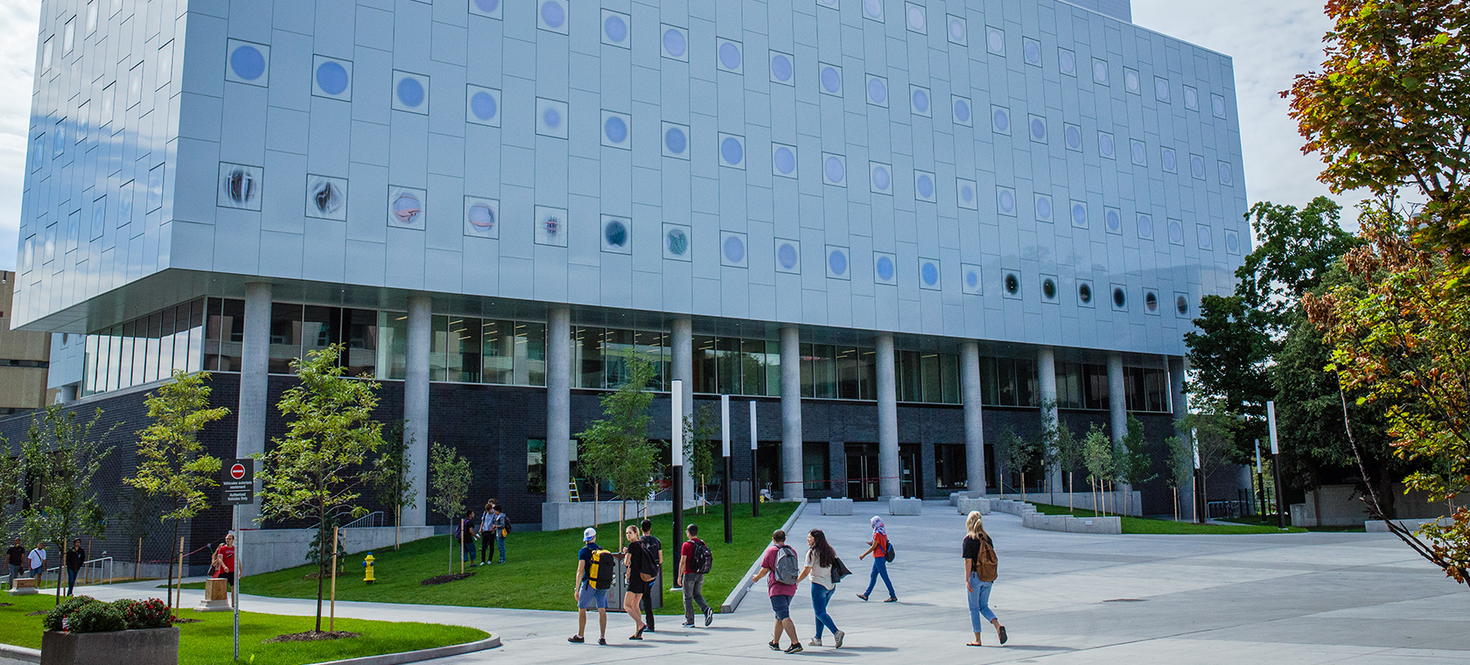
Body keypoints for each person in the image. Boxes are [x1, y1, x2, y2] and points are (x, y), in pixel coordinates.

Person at [750, 529, 802, 653]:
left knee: (784, 615)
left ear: (773, 539)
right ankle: (775, 642)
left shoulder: (771, 551)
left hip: (777, 588)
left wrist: (756, 578)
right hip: (790, 587)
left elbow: (764, 570)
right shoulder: (792, 551)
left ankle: (795, 643)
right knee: (779, 615)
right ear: (785, 539)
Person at [963, 511, 1007, 646]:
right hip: (988, 577)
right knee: (984, 606)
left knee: (974, 608)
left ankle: (977, 639)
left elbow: (968, 561)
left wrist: (967, 579)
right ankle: (997, 625)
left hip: (976, 577)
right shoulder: (988, 538)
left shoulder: (968, 539)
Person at [797, 529, 843, 648]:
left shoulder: (812, 553)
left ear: (815, 539)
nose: (807, 539)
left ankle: (836, 632)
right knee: (821, 612)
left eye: (809, 537)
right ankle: (817, 638)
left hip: (818, 585)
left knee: (819, 612)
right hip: (830, 585)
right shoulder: (830, 550)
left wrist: (796, 581)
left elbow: (807, 570)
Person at [569, 527, 609, 645]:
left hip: (589, 583)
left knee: (582, 608)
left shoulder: (583, 551)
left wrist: (577, 588)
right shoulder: (600, 550)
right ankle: (602, 637)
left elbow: (580, 570)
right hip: (601, 583)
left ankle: (580, 635)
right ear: (594, 537)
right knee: (602, 609)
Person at [678, 523, 713, 628]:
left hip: (689, 573)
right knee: (697, 594)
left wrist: (679, 576)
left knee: (687, 597)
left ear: (688, 533)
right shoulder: (702, 543)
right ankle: (706, 610)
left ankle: (690, 620)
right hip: (700, 573)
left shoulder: (686, 545)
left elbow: (683, 561)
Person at [856, 515, 896, 602]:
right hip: (881, 557)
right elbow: (881, 543)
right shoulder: (882, 531)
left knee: (884, 577)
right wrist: (873, 543)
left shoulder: (877, 534)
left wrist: (863, 555)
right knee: (873, 576)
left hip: (879, 557)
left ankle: (893, 595)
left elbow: (874, 547)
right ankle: (866, 595)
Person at [621, 525, 649, 640]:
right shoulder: (641, 544)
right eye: (627, 533)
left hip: (635, 578)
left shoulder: (632, 545)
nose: (628, 535)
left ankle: (640, 623)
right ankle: (638, 633)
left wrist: (626, 554)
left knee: (627, 605)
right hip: (642, 578)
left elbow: (626, 562)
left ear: (635, 533)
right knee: (635, 605)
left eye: (630, 533)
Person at [638, 518, 662, 633]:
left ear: (641, 529)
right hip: (654, 572)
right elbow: (660, 559)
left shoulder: (640, 541)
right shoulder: (657, 541)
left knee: (644, 597)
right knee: (647, 596)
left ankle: (648, 624)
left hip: (643, 573)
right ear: (650, 528)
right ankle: (649, 623)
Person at [478, 500, 496, 565]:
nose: (488, 512)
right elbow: (483, 521)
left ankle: (490, 559)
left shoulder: (494, 513)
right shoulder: (485, 513)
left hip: (491, 531)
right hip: (485, 530)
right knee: (484, 546)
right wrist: (480, 529)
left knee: (491, 545)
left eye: (489, 510)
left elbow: (495, 521)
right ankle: (483, 560)